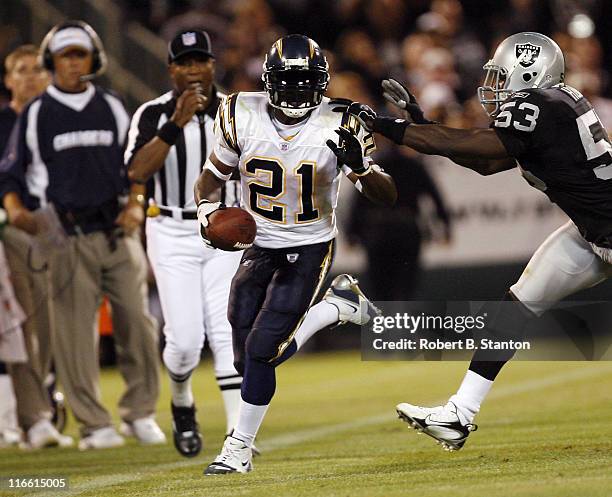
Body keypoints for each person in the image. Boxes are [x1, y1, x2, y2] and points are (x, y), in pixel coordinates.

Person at [344, 32, 612, 450]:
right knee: (519, 303)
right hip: (593, 230)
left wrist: (387, 127)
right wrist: (421, 125)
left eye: (502, 76)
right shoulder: (555, 103)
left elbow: (476, 145)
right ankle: (459, 413)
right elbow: (485, 162)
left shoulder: (541, 104)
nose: (496, 87)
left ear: (529, 71)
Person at [196, 34, 396, 474]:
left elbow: (386, 194)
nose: (295, 90)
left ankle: (239, 448)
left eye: (305, 81)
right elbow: (212, 177)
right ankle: (337, 308)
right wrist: (207, 213)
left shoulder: (342, 122)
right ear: (268, 80)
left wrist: (361, 167)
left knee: (264, 348)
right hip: (259, 243)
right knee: (246, 355)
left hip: (308, 245)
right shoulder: (239, 113)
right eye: (287, 81)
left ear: (321, 82)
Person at [0, 21, 163, 449]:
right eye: (66, 55)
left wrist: (135, 204)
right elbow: (11, 175)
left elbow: (137, 167)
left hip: (116, 229)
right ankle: (95, 424)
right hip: (64, 234)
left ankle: (140, 412)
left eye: (81, 54)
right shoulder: (37, 113)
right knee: (74, 336)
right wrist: (21, 215)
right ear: (53, 61)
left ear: (94, 59)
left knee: (140, 325)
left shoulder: (110, 104)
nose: (74, 63)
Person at [125, 29, 244, 457]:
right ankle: (181, 403)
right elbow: (137, 171)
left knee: (229, 332)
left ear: (214, 64)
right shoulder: (151, 113)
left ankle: (237, 438)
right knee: (185, 342)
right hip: (172, 231)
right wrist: (176, 122)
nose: (194, 70)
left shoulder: (237, 110)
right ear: (171, 69)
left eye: (201, 61)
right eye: (185, 62)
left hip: (224, 231)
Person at [0, 44, 71, 449]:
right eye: (20, 70)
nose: (30, 76)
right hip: (15, 229)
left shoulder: (54, 119)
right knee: (26, 327)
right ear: (9, 80)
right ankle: (35, 417)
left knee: (60, 327)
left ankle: (45, 409)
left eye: (36, 70)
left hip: (59, 227)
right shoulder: (2, 123)